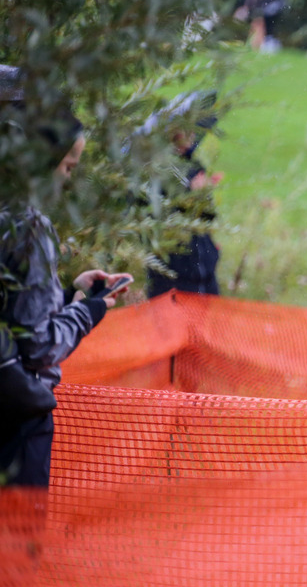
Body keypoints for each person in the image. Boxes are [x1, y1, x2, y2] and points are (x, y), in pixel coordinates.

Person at [0, 96, 132, 487]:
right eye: (68, 165)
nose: (69, 177)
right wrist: (88, 311)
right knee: (17, 546)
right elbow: (39, 346)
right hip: (15, 419)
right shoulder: (28, 226)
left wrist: (61, 296)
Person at [141, 91, 223, 298]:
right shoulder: (153, 170)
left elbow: (208, 216)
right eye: (186, 130)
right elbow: (155, 216)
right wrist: (189, 195)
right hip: (172, 279)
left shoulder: (193, 165)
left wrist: (204, 195)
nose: (192, 135)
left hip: (205, 275)